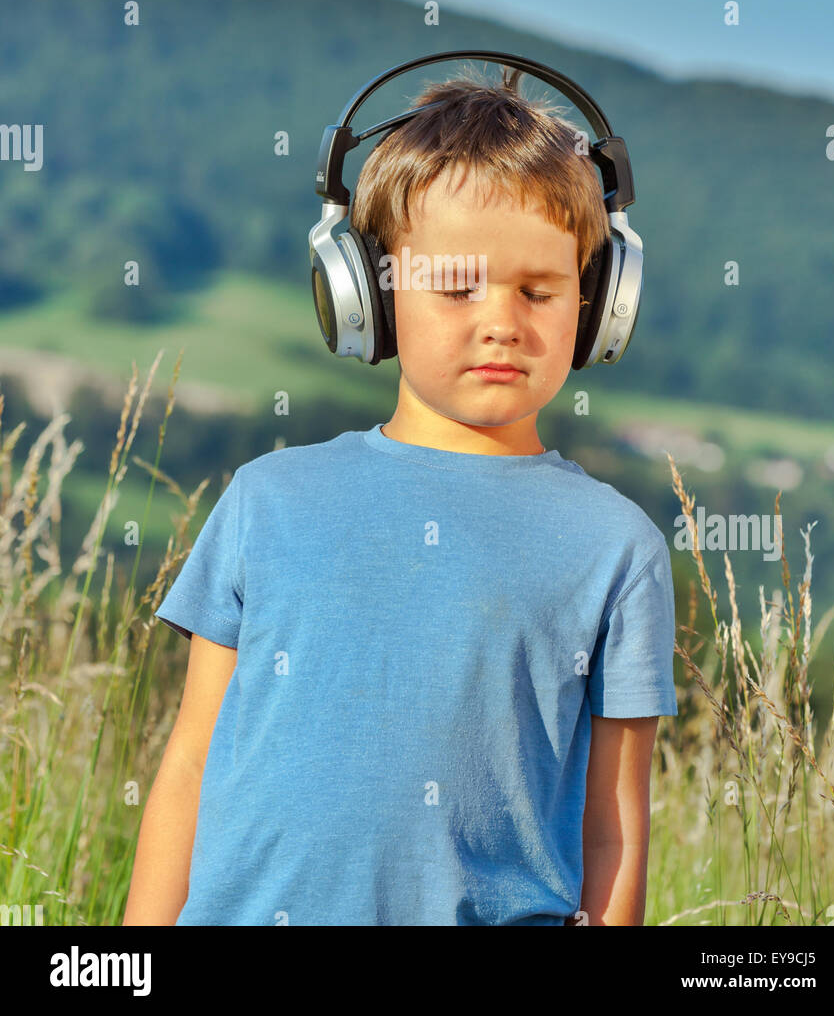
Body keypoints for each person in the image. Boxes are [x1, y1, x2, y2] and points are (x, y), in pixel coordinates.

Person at [122, 65, 677, 927]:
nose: (502, 321)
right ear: (367, 295)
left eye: (540, 290)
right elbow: (189, 766)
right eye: (456, 286)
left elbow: (615, 831)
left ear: (601, 304)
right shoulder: (268, 500)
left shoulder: (617, 546)